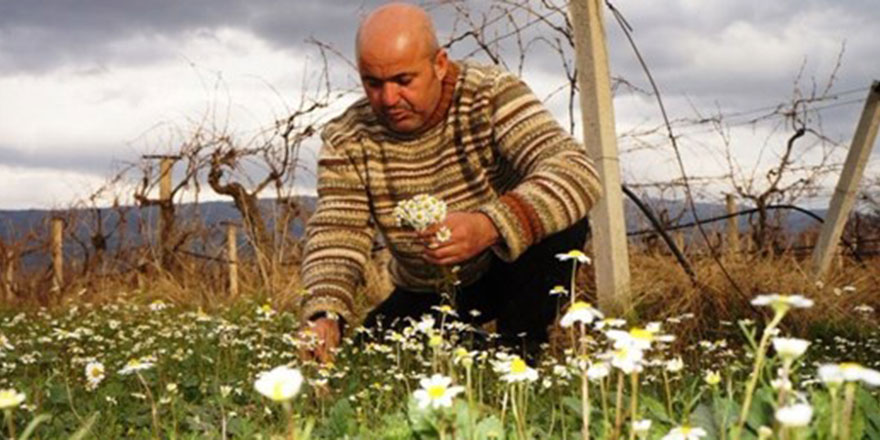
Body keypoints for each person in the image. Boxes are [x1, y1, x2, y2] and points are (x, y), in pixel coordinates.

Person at [299, 2, 601, 363]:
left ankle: (519, 352)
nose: (389, 99)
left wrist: (489, 225)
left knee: (563, 221)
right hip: (425, 287)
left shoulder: (490, 94)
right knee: (368, 359)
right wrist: (325, 312)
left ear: (439, 64)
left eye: (403, 81)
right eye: (373, 83)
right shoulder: (347, 137)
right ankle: (470, 347)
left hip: (507, 265)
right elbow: (337, 229)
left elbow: (575, 169)